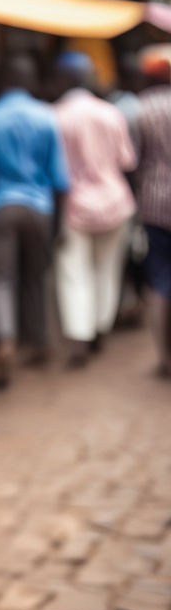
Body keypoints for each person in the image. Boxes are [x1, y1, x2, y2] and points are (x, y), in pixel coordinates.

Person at [0, 55, 69, 387]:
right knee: (36, 275)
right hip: (40, 205)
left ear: (3, 81)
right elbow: (59, 177)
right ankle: (40, 342)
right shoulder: (47, 116)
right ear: (30, 82)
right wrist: (59, 222)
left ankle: (5, 340)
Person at [51, 51, 136, 367]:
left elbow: (55, 173)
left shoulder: (56, 115)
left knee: (74, 272)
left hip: (74, 207)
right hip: (115, 202)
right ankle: (100, 326)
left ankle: (80, 337)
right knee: (106, 269)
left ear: (64, 79)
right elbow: (127, 162)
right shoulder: (111, 113)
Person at [135, 56, 171, 377]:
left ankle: (164, 356)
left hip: (154, 204)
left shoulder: (140, 108)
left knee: (160, 278)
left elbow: (133, 159)